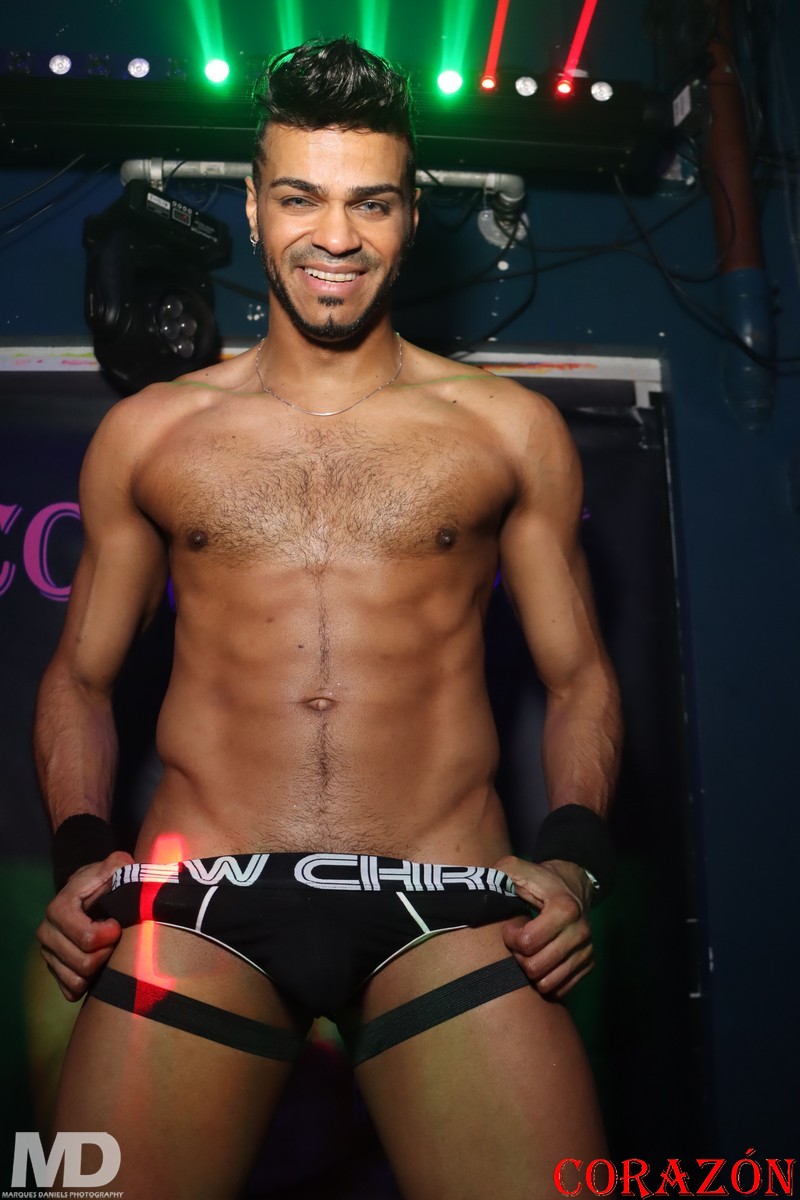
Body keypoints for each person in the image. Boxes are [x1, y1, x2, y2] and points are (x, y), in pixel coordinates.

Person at [35, 37, 622, 1200]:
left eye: (371, 203)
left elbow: (580, 681)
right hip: (199, 902)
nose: (336, 237)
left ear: (410, 216)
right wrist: (78, 853)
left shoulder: (507, 430)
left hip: (445, 897)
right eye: (301, 198)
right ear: (254, 209)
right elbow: (79, 680)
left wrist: (574, 865)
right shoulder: (150, 433)